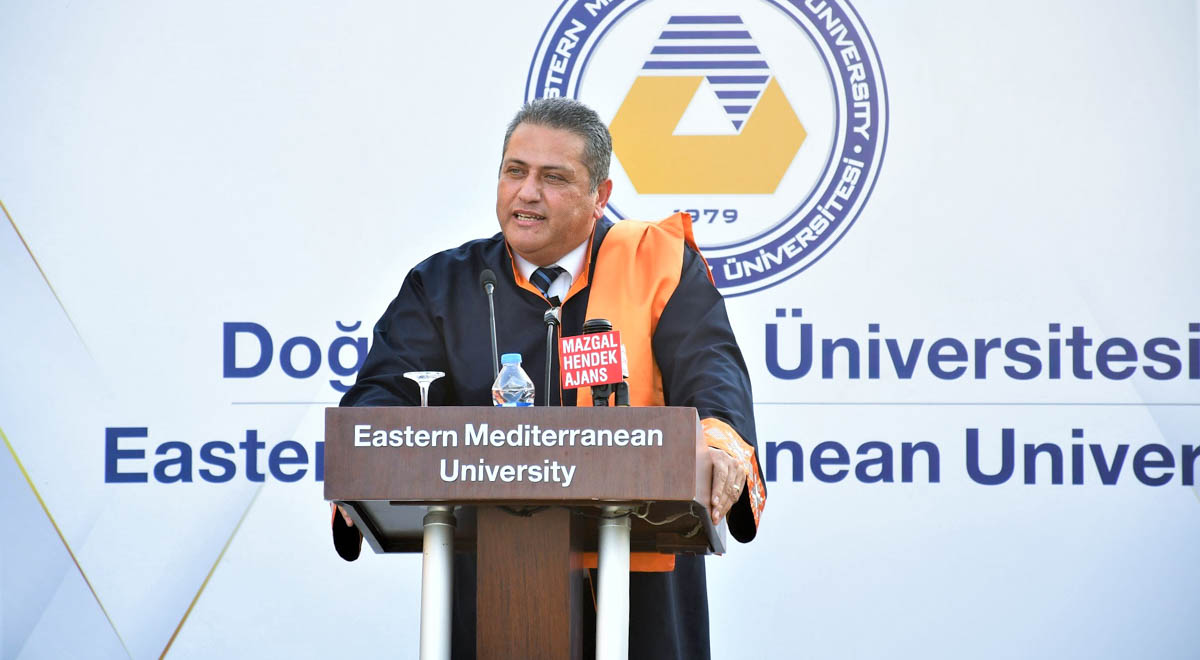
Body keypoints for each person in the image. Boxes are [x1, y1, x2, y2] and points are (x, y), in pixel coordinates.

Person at [331, 98, 766, 659]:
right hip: (497, 582)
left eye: (553, 178)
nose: (527, 193)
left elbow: (712, 371)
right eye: (515, 171)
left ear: (600, 196)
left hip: (641, 586)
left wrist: (719, 442)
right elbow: (381, 394)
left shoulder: (657, 266)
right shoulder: (443, 284)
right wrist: (366, 454)